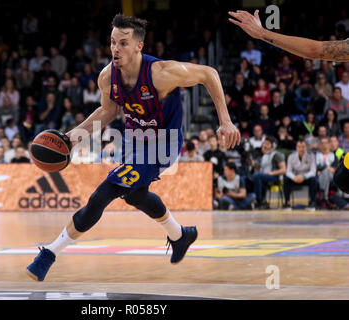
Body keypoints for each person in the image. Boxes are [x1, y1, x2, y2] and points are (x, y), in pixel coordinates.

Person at [26, 14, 240, 282]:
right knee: (135, 196)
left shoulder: (161, 73)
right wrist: (72, 137)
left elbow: (209, 74)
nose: (116, 48)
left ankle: (49, 253)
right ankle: (180, 235)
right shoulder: (107, 77)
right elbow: (108, 111)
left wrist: (226, 120)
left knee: (104, 194)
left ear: (139, 45)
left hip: (163, 143)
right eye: (113, 42)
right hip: (133, 141)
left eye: (124, 43)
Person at [252, 137, 286, 209]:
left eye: (267, 144)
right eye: (264, 143)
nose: (264, 145)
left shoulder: (276, 155)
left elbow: (283, 170)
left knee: (257, 176)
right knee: (249, 178)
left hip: (274, 177)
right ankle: (259, 200)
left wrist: (272, 173)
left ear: (273, 146)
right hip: (263, 176)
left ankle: (259, 201)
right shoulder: (263, 156)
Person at [284, 140, 318, 210]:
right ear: (296, 148)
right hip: (295, 178)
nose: (301, 149)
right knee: (286, 179)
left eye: (303, 147)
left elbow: (313, 171)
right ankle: (287, 202)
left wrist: (304, 177)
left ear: (306, 147)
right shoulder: (291, 156)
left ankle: (312, 202)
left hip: (306, 178)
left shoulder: (311, 156)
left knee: (314, 179)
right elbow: (288, 172)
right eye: (299, 147)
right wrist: (294, 177)